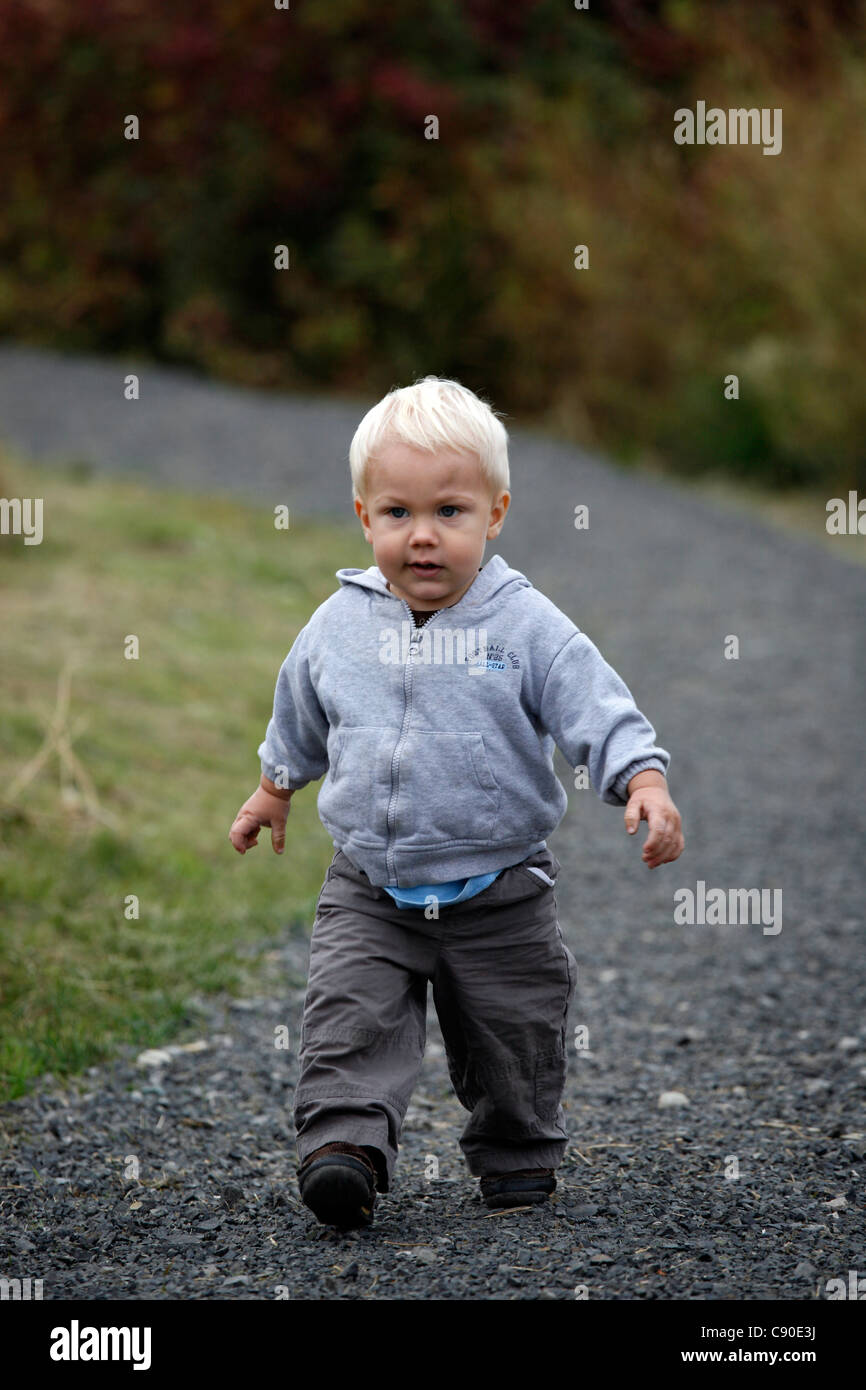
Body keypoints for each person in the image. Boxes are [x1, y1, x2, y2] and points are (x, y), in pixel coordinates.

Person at [228, 376, 684, 1230]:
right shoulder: (338, 625)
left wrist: (642, 780)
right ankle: (345, 1152)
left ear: (496, 514)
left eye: (451, 512)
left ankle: (515, 1155)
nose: (424, 537)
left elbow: (596, 704)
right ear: (365, 519)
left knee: (516, 1034)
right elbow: (301, 710)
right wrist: (273, 788)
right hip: (370, 887)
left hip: (500, 893)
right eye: (398, 514)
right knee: (347, 1020)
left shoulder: (526, 626)